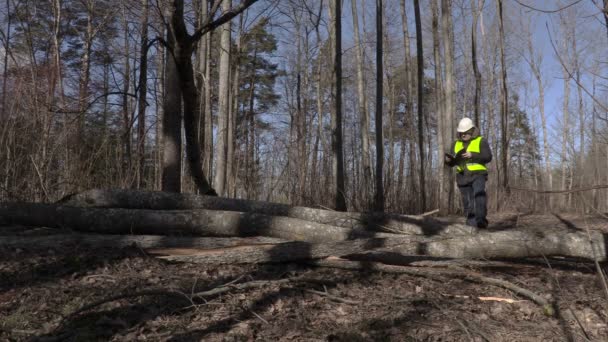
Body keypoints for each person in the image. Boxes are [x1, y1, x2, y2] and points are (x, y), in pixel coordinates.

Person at [444, 117, 492, 228]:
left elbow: (488, 157)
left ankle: (481, 222)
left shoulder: (481, 141)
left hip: (478, 174)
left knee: (479, 196)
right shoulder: (455, 144)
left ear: (472, 131)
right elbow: (452, 162)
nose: (463, 135)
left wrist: (473, 155)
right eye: (461, 133)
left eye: (466, 132)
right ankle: (471, 224)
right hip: (462, 177)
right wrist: (448, 161)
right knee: (468, 201)